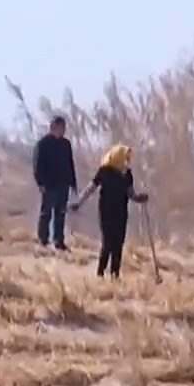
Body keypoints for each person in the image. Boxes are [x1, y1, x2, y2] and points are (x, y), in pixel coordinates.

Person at [72, 144, 149, 278]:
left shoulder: (127, 174)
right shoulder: (104, 171)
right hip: (106, 211)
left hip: (121, 212)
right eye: (126, 157)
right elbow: (91, 188)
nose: (127, 161)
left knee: (118, 244)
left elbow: (131, 193)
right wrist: (79, 202)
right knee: (107, 242)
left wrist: (139, 198)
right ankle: (100, 273)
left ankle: (115, 274)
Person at [32, 115, 77, 252]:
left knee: (61, 213)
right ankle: (43, 240)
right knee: (46, 213)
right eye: (60, 128)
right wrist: (40, 183)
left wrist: (73, 182)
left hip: (63, 184)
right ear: (53, 127)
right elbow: (37, 165)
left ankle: (59, 241)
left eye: (64, 128)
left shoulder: (66, 144)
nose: (62, 130)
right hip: (49, 184)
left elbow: (70, 164)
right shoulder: (43, 144)